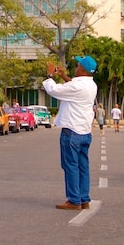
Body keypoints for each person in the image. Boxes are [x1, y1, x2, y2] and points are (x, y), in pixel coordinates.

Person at [43, 55, 97, 210]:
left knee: (70, 166)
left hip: (71, 130)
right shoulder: (91, 85)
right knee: (82, 167)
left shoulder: (76, 86)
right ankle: (84, 198)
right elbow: (74, 85)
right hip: (84, 131)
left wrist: (50, 75)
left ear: (82, 69)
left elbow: (53, 90)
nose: (76, 66)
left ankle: (74, 200)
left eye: (78, 64)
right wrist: (63, 75)